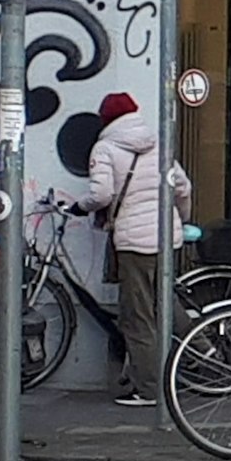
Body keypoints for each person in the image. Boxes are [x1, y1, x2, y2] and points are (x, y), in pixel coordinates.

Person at [71, 92, 192, 407]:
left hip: (135, 244)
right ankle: (203, 351)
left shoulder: (106, 147)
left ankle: (150, 389)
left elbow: (101, 195)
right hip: (166, 239)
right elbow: (184, 187)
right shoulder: (157, 142)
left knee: (138, 317)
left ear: (106, 120)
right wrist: (180, 219)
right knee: (164, 301)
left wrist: (78, 207)